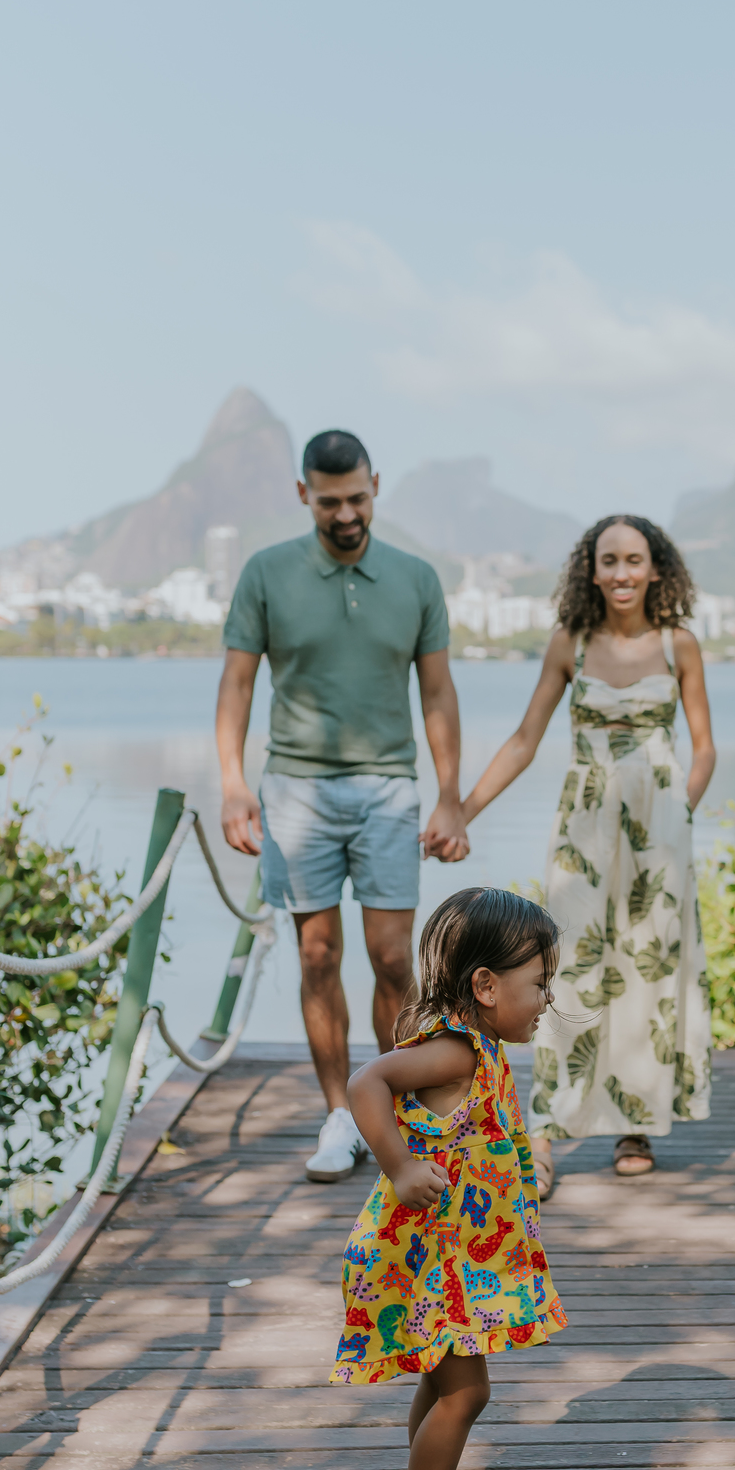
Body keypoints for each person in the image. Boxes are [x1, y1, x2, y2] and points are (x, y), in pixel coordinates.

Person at [217, 429, 469, 1185]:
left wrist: (451, 795)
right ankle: (338, 1113)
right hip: (296, 788)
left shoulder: (417, 579)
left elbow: (437, 692)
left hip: (390, 788)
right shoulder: (266, 573)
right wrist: (233, 786)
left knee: (394, 957)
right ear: (304, 496)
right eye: (329, 501)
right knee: (317, 953)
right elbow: (236, 686)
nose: (346, 513)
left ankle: (390, 1111)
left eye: (357, 497)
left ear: (375, 486)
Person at [460, 515, 715, 1194]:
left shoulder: (679, 644)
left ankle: (636, 1122)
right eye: (610, 560)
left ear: (656, 568)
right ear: (591, 570)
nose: (623, 572)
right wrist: (461, 810)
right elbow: (523, 740)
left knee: (648, 971)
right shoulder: (567, 644)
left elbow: (704, 745)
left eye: (635, 560)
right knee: (562, 966)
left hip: (660, 833)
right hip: (584, 827)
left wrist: (682, 809)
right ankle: (543, 1133)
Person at [334, 887, 567, 1470]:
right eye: (537, 985)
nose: (546, 1000)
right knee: (469, 1393)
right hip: (432, 1257)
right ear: (486, 986)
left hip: (460, 1254)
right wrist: (399, 1165)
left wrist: (525, 1165)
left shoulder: (485, 1047)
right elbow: (364, 1081)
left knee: (442, 1385)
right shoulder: (450, 1049)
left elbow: (481, 1133)